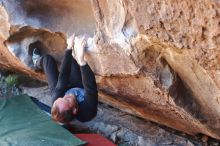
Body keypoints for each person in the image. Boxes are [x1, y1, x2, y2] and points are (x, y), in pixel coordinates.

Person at [30, 35, 98, 123]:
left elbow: (63, 77)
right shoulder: (87, 111)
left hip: (65, 88)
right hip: (80, 87)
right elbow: (90, 88)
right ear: (74, 110)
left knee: (47, 59)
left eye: (62, 98)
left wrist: (69, 49)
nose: (66, 96)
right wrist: (81, 60)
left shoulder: (58, 99)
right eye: (67, 100)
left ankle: (37, 62)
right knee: (76, 59)